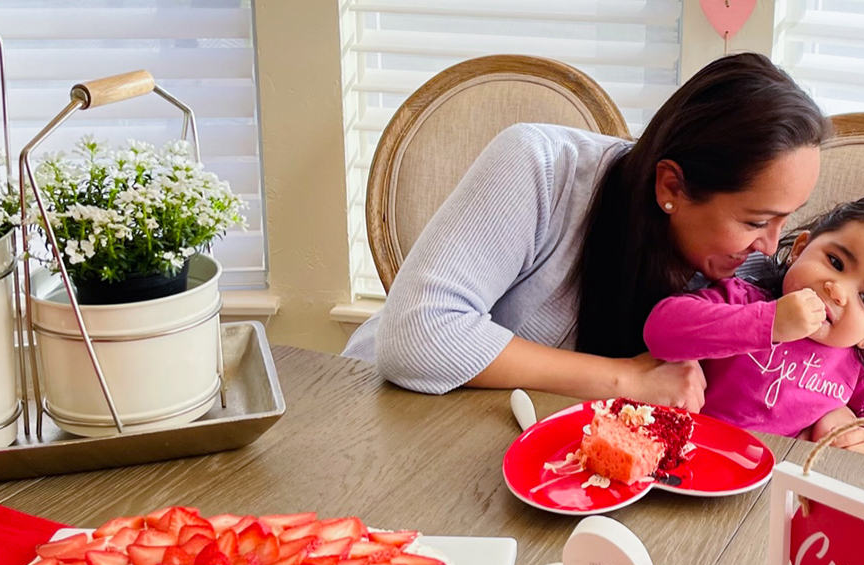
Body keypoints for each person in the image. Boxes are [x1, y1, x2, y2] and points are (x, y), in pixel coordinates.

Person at [342, 52, 830, 411]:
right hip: (390, 411)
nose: (769, 246)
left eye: (786, 219)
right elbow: (416, 337)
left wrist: (845, 413)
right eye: (755, 221)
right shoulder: (540, 167)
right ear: (672, 186)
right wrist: (626, 379)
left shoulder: (753, 273)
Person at [643, 196, 864, 459]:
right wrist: (769, 323)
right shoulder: (741, 300)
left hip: (780, 489)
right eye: (836, 262)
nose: (838, 291)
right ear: (799, 249)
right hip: (692, 456)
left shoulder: (859, 367)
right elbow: (660, 328)